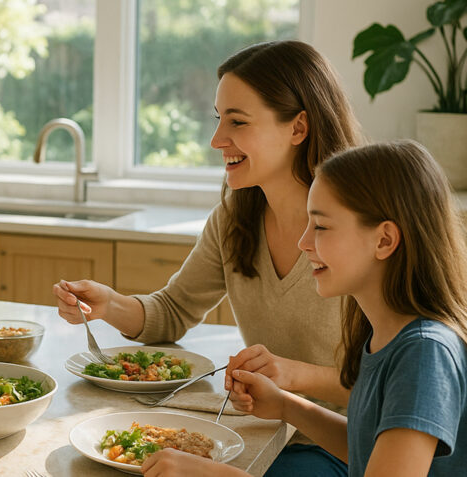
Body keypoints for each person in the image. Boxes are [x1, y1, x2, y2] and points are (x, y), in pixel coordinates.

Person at [51, 40, 362, 474]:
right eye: (218, 119)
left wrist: (293, 376)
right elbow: (175, 309)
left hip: (341, 447)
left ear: (298, 128)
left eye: (237, 121)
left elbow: (397, 380)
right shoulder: (236, 217)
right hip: (256, 431)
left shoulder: (359, 229)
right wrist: (109, 305)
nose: (217, 140)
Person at [142, 141, 467, 476]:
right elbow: (366, 447)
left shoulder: (425, 353)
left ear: (384, 240)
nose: (303, 242)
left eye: (321, 226)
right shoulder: (388, 337)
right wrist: (286, 405)